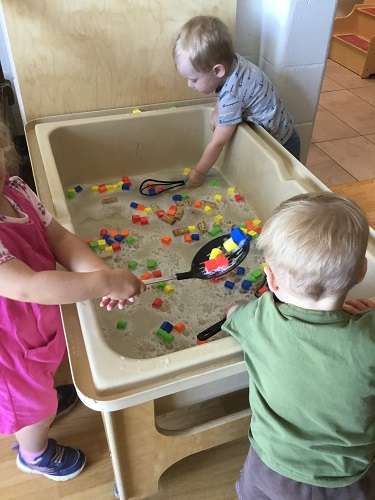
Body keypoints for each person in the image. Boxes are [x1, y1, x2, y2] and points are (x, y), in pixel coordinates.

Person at [0, 121, 146, 481]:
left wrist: (100, 275)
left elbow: (60, 240)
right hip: (9, 349)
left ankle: (44, 395)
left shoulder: (16, 190)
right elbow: (28, 286)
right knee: (31, 408)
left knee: (42, 379)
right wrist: (103, 282)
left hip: (37, 327)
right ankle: (34, 453)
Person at [222, 192, 375, 499]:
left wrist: (235, 310)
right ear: (362, 272)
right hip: (346, 477)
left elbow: (232, 314)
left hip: (271, 469)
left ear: (272, 281)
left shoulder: (259, 319)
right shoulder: (369, 338)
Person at [173, 15, 300, 187]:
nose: (189, 85)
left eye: (194, 79)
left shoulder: (232, 96)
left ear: (217, 70)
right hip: (284, 133)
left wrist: (198, 173)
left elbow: (218, 143)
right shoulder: (231, 62)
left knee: (287, 190)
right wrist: (218, 109)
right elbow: (227, 89)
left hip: (282, 146)